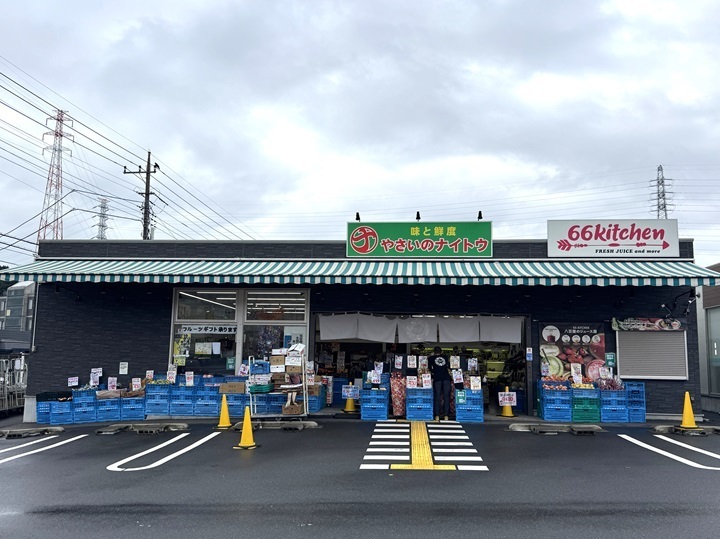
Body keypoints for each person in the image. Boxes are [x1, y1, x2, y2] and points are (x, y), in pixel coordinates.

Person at [429, 346, 452, 421]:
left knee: (437, 397)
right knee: (446, 397)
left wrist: (434, 372)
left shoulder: (431, 358)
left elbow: (430, 368)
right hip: (446, 378)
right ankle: (446, 415)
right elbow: (449, 367)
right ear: (441, 351)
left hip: (437, 378)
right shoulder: (445, 357)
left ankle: (437, 415)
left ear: (434, 351)